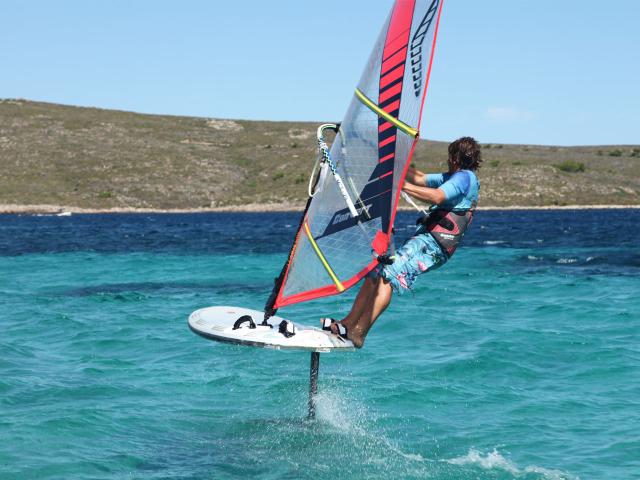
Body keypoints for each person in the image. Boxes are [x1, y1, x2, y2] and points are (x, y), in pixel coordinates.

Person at [322, 136, 482, 348]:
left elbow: (436, 196)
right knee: (376, 270)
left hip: (433, 245)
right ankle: (347, 324)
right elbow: (422, 178)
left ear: (454, 157)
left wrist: (400, 185)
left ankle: (359, 332)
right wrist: (394, 164)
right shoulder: (454, 177)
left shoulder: (464, 178)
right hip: (428, 241)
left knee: (391, 272)